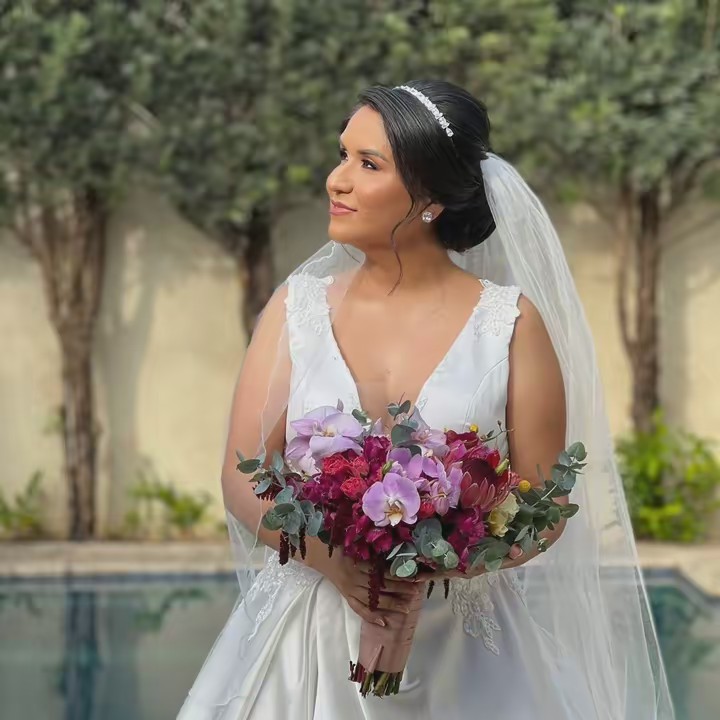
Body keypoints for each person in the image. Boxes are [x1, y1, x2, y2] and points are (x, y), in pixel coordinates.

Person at [177, 81, 674, 719]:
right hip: (311, 638)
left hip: (466, 650)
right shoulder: (294, 309)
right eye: (342, 155)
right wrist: (335, 564)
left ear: (432, 197)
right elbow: (241, 474)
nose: (337, 180)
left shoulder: (510, 324)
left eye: (369, 164)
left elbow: (547, 504)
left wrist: (437, 570)